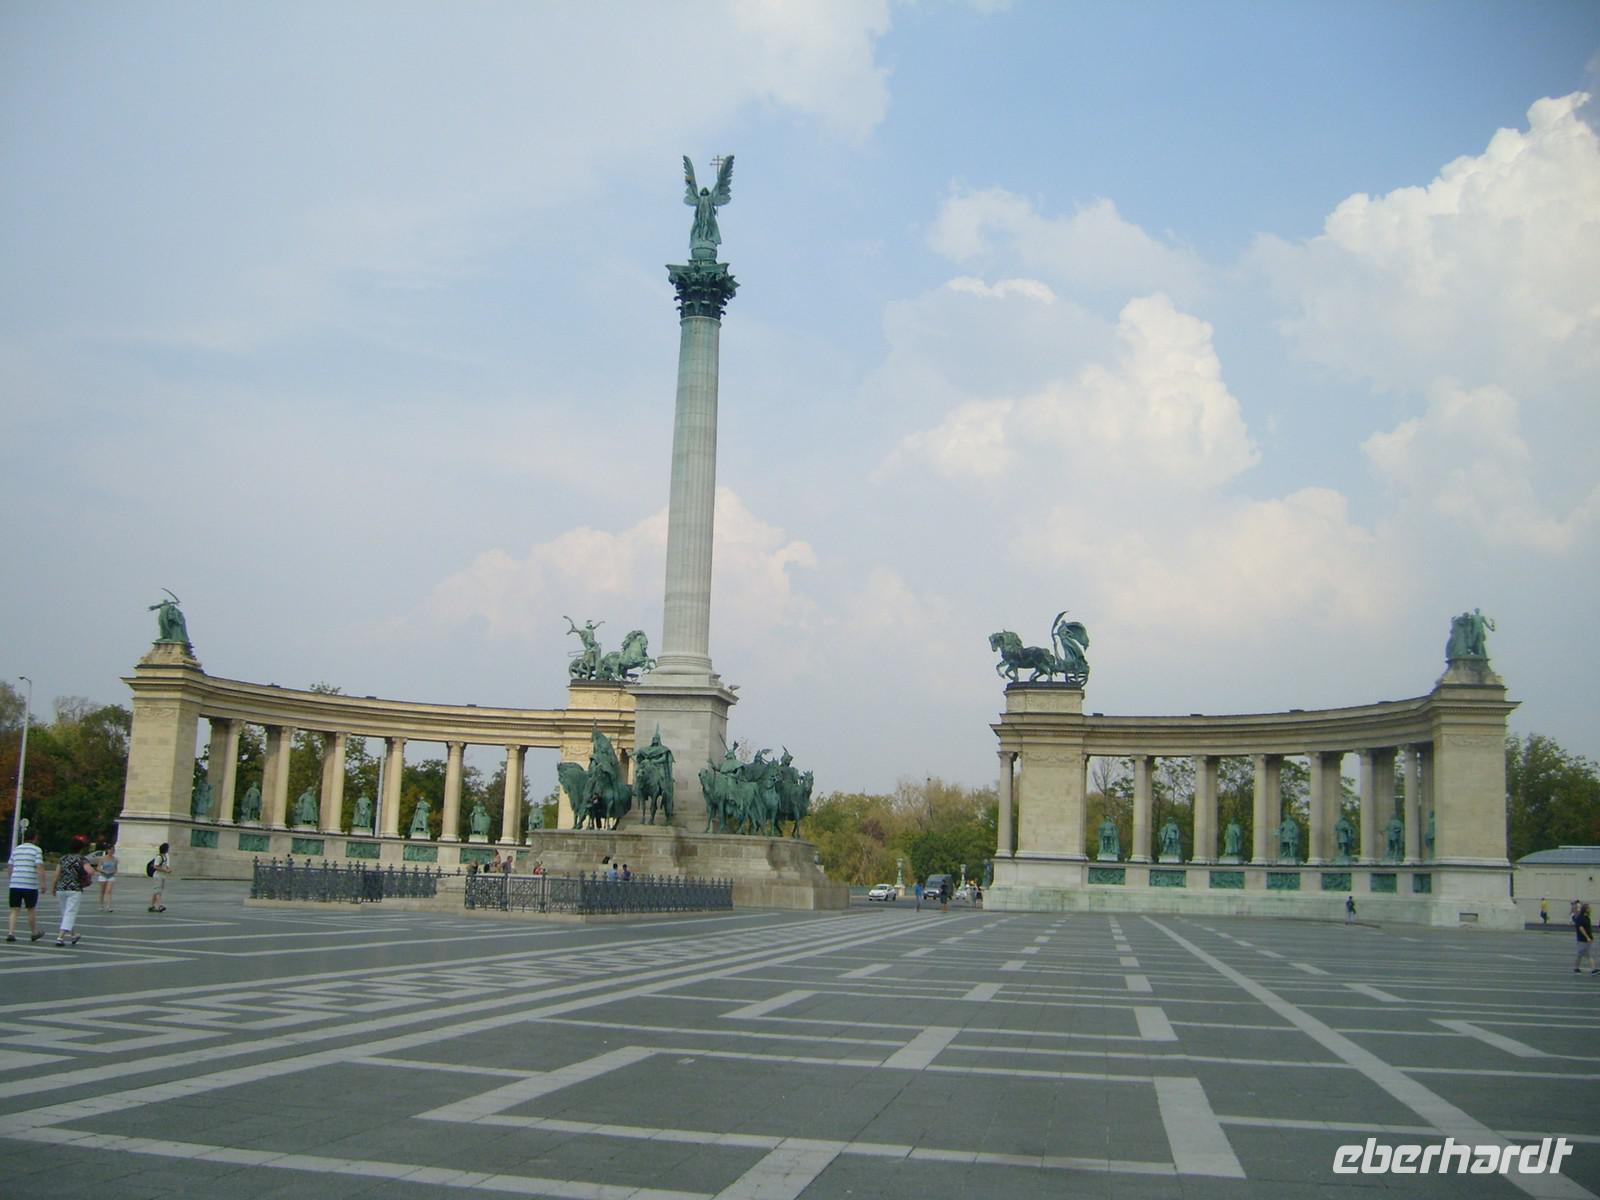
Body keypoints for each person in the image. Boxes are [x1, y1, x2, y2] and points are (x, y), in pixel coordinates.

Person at [50, 835, 95, 946]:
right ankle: (60, 937)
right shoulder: (81, 859)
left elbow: (56, 874)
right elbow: (90, 871)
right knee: (70, 912)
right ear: (81, 848)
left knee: (65, 912)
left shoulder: (63, 858)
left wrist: (53, 887)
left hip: (61, 888)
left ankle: (73, 935)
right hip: (75, 888)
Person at [6, 828, 46, 943]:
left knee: (14, 909)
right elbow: (39, 867)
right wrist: (42, 883)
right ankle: (34, 933)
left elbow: (10, 866)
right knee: (31, 908)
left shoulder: (16, 849)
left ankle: (11, 933)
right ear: (35, 838)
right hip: (30, 884)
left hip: (15, 884)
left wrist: (12, 879)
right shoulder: (36, 850)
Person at [92, 844, 119, 911]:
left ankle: (108, 906)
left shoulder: (115, 859)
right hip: (103, 876)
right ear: (107, 850)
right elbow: (98, 868)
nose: (112, 851)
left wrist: (113, 871)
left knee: (109, 891)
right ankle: (101, 905)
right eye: (110, 850)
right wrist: (104, 871)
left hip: (111, 876)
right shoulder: (102, 858)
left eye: (113, 850)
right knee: (102, 891)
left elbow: (116, 868)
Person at [147, 842, 171, 912]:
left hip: (162, 876)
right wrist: (165, 870)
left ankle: (152, 906)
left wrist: (168, 869)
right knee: (158, 891)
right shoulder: (159, 857)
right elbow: (155, 866)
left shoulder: (165, 856)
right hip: (158, 876)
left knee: (157, 891)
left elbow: (165, 865)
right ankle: (159, 906)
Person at [1575, 901, 1597, 975]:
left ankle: (1593, 970)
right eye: (1589, 908)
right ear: (1585, 909)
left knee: (1589, 954)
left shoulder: (1587, 918)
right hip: (1582, 940)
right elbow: (1581, 928)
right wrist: (1587, 937)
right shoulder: (1580, 918)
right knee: (1580, 955)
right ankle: (1576, 968)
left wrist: (1591, 937)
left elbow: (1588, 929)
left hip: (1588, 939)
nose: (1590, 909)